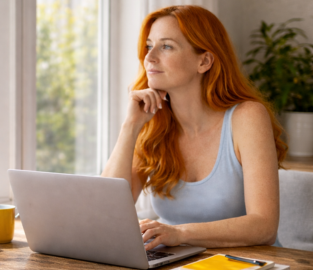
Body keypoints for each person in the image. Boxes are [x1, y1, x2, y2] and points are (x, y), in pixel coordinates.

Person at [101, 5, 287, 251]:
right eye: (149, 45)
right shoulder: (152, 123)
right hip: (174, 259)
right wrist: (130, 126)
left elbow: (264, 226)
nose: (149, 57)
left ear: (204, 61)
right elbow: (104, 211)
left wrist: (178, 233)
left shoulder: (247, 117)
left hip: (244, 262)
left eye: (166, 46)